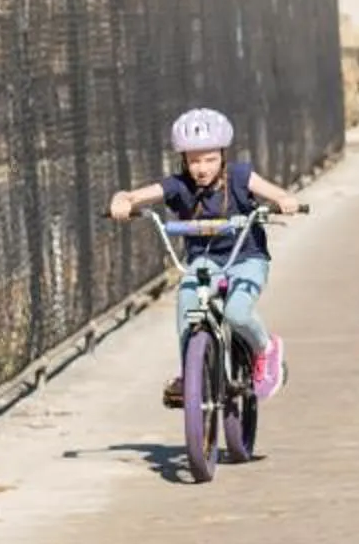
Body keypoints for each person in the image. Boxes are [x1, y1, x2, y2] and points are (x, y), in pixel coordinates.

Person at [107, 108, 303, 414]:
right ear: (183, 159)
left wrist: (284, 201)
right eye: (194, 160)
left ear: (223, 155)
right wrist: (122, 200)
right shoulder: (178, 186)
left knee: (237, 313)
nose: (201, 168)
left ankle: (265, 347)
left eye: (209, 159)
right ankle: (191, 373)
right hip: (205, 261)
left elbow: (274, 193)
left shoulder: (240, 176)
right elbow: (135, 196)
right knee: (187, 299)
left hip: (245, 256)